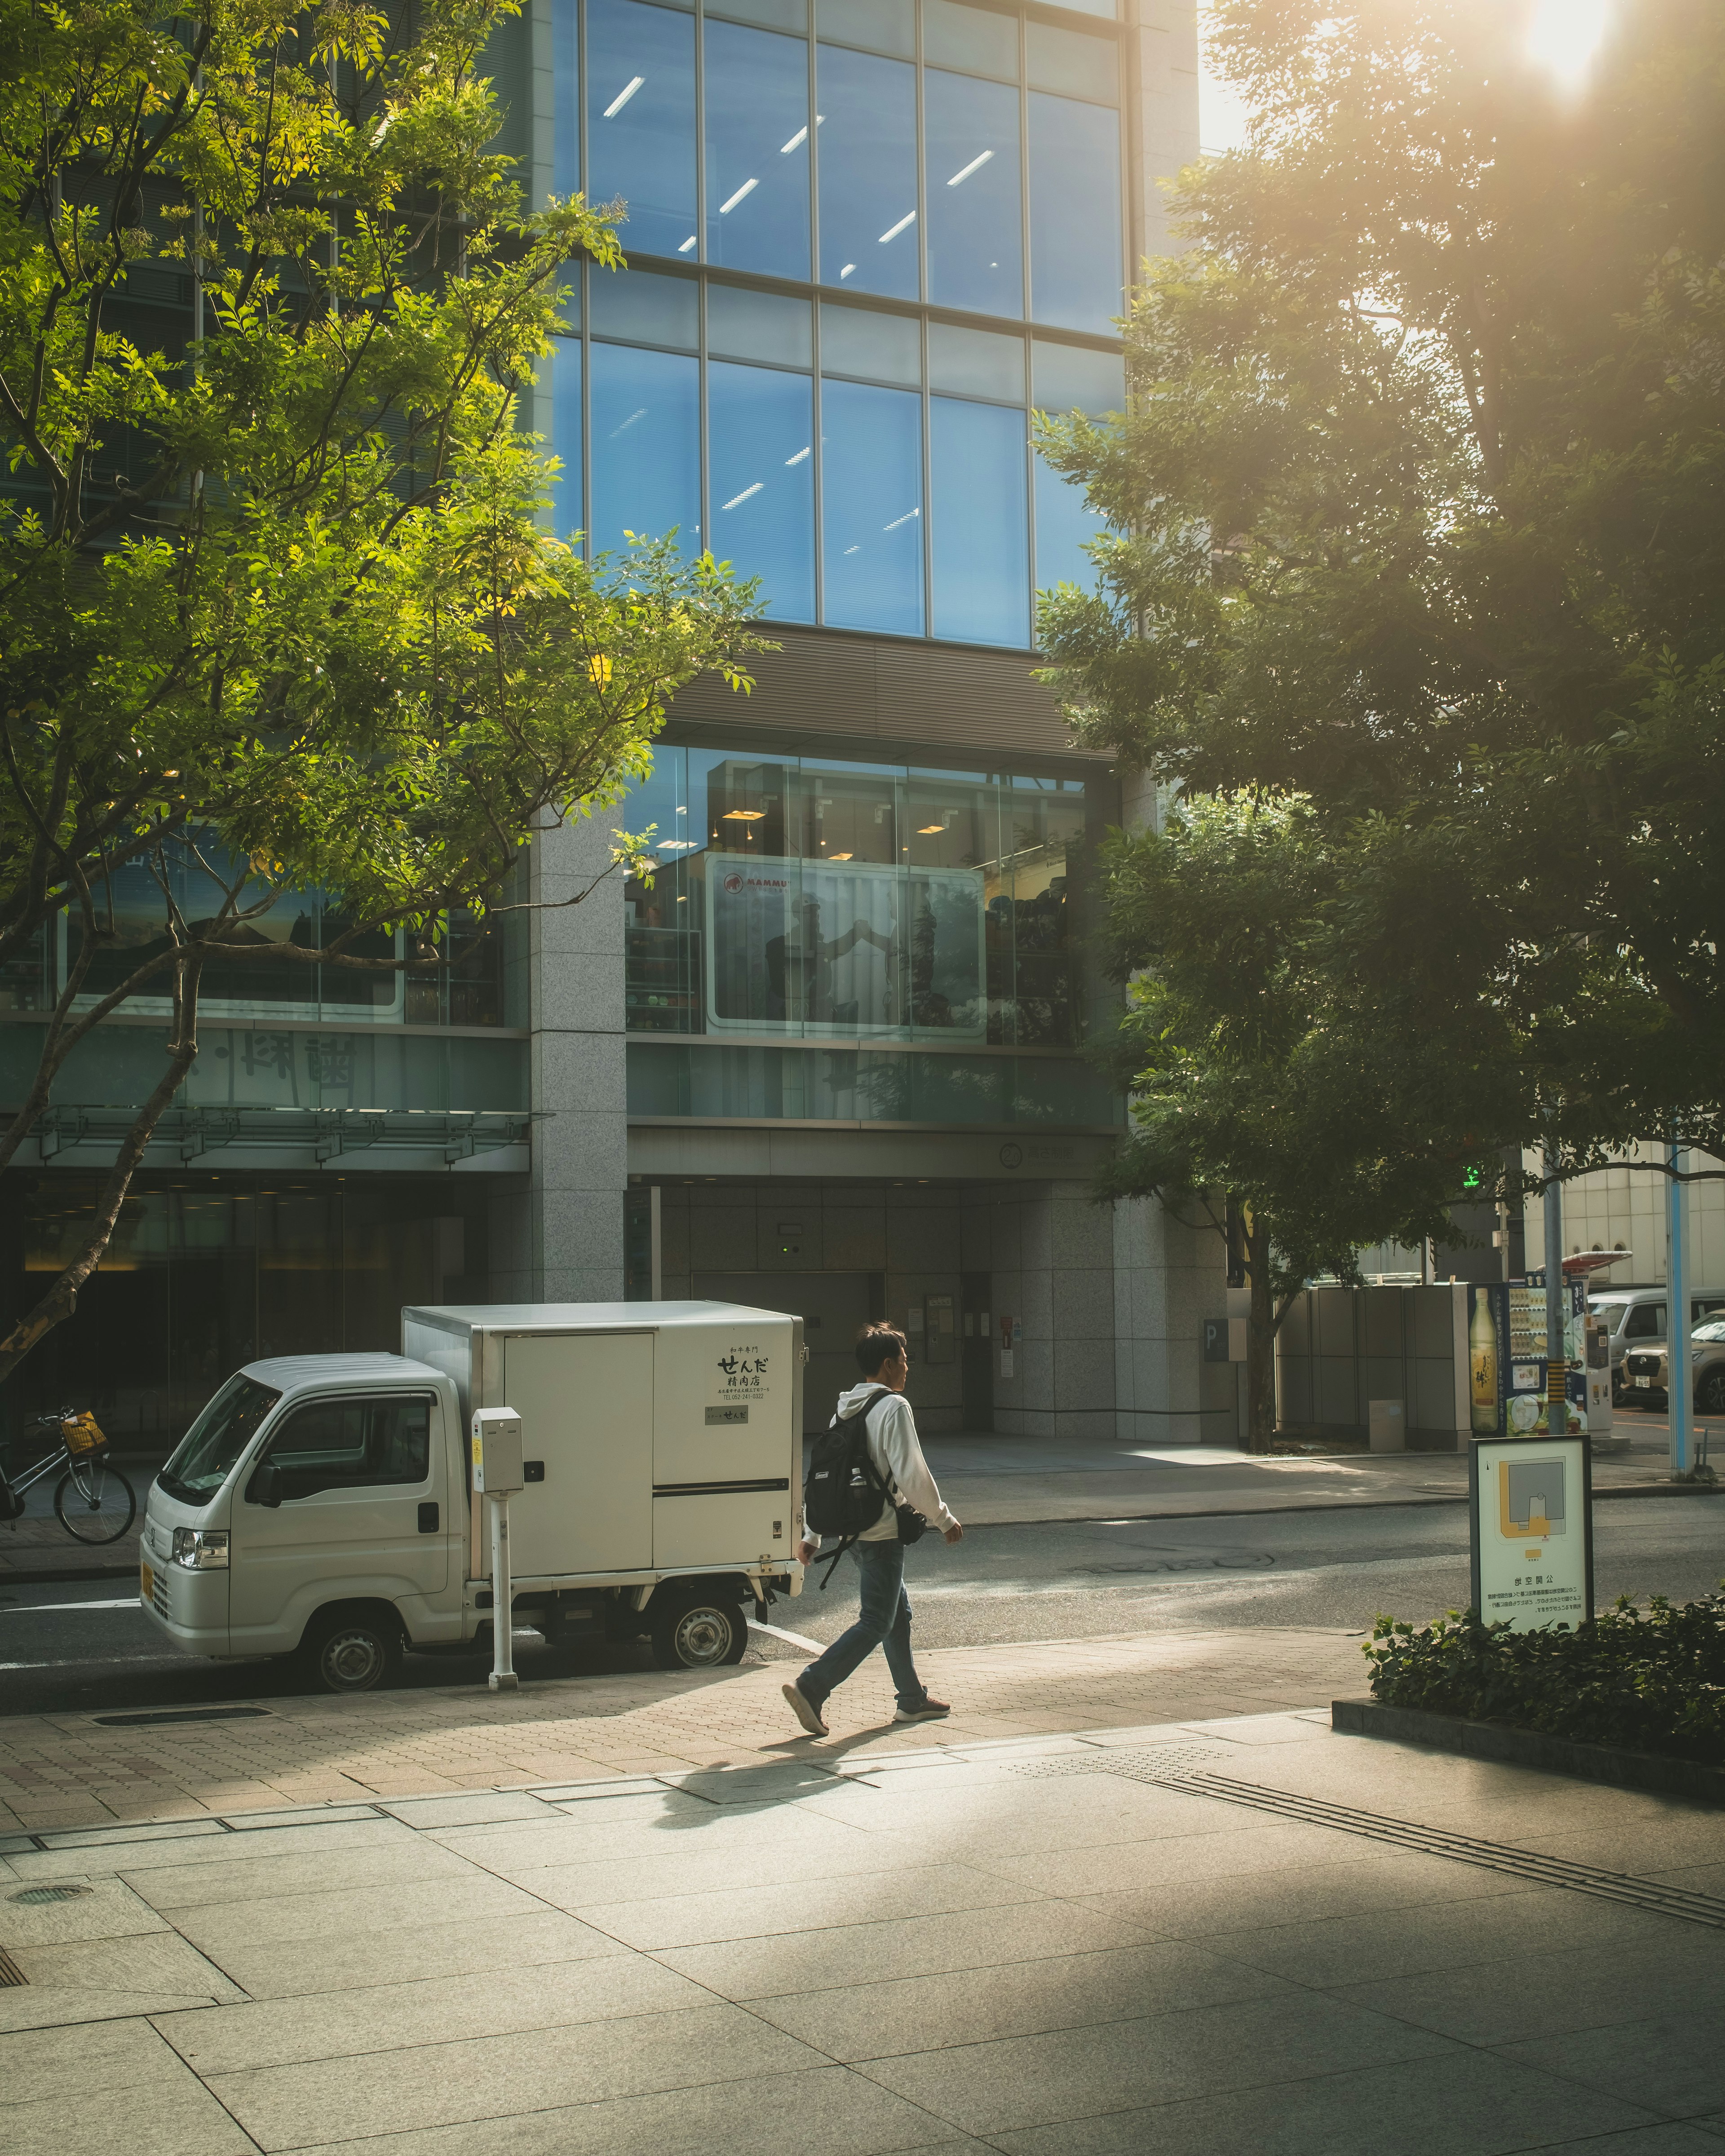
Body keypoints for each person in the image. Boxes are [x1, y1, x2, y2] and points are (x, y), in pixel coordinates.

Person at [782, 1322, 963, 1738]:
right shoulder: (894, 1407)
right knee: (877, 1620)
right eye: (903, 1358)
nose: (906, 1367)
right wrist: (944, 1519)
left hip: (853, 1532)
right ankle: (814, 1685)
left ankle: (912, 1699)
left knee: (897, 1613)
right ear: (887, 1364)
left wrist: (812, 1534)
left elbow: (827, 1476)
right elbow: (912, 1474)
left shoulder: (845, 1408)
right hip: (881, 1532)